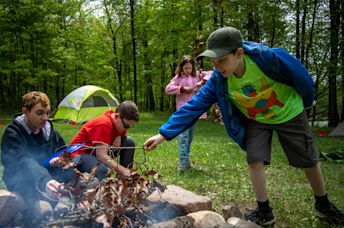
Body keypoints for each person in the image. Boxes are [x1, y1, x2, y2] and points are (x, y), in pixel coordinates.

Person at [144, 27, 344, 226]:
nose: (217, 66)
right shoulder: (218, 79)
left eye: (222, 60)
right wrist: (163, 134)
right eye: (214, 62)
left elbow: (300, 75)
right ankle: (264, 211)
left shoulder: (267, 58)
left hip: (289, 112)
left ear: (239, 53)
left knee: (308, 159)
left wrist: (308, 100)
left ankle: (323, 203)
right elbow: (194, 106)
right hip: (258, 119)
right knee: (254, 159)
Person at [1, 91, 76, 224]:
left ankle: (61, 203)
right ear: (25, 111)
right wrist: (45, 180)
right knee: (33, 202)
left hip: (47, 174)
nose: (45, 118)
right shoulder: (13, 133)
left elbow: (62, 150)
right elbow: (22, 160)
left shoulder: (49, 131)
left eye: (48, 113)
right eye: (40, 113)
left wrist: (61, 160)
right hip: (23, 178)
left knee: (73, 172)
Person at [67, 100, 139, 180]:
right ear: (117, 116)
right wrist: (122, 170)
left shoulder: (118, 123)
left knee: (129, 142)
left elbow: (122, 131)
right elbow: (101, 155)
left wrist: (118, 135)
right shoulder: (103, 124)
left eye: (129, 126)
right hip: (80, 155)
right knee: (102, 170)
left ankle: (125, 180)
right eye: (126, 125)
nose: (126, 129)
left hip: (95, 152)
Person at [165, 55, 209, 170]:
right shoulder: (178, 77)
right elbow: (168, 89)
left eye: (190, 68)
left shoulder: (198, 75)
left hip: (194, 110)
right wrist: (183, 89)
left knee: (190, 136)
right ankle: (183, 162)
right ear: (181, 68)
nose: (188, 70)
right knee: (183, 135)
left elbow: (211, 76)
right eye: (186, 68)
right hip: (183, 110)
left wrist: (202, 81)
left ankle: (186, 159)